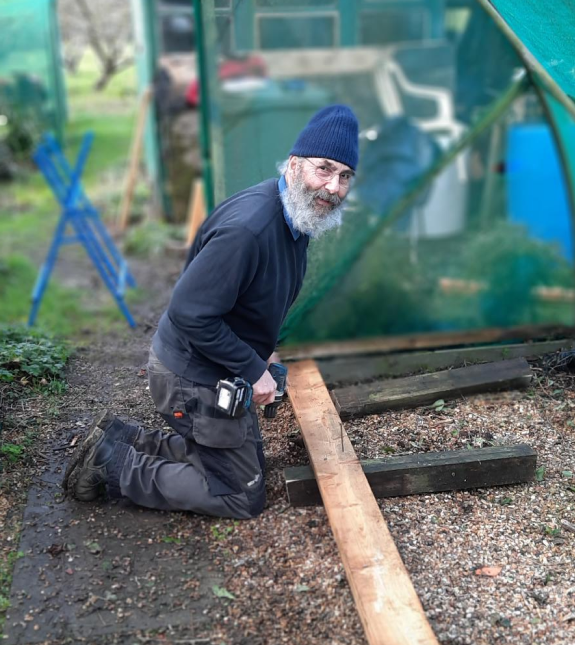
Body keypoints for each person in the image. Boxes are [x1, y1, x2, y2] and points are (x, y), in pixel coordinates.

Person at [65, 105, 359, 519]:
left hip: (211, 365)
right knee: (241, 493)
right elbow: (190, 313)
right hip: (191, 375)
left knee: (247, 460)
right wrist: (252, 368)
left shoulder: (295, 217)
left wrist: (265, 354)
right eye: (323, 168)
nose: (332, 186)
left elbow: (249, 301)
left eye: (345, 176)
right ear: (294, 166)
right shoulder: (250, 230)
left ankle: (119, 438)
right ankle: (112, 467)